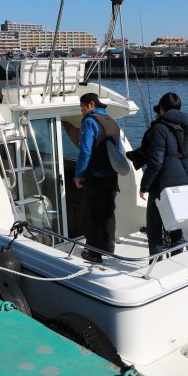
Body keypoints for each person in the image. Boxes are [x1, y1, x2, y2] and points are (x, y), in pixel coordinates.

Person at [139, 92, 188, 259]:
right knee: (176, 228)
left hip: (162, 188)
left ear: (162, 109)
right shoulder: (187, 129)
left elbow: (156, 162)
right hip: (184, 185)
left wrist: (144, 186)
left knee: (155, 232)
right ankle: (176, 264)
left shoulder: (159, 128)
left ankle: (157, 268)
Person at [73, 93, 121, 263]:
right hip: (112, 177)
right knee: (108, 213)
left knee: (92, 214)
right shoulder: (114, 123)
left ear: (91, 104)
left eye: (82, 107)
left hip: (96, 177)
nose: (82, 111)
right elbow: (118, 151)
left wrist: (79, 175)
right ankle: (108, 248)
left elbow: (85, 151)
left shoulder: (89, 121)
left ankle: (93, 253)